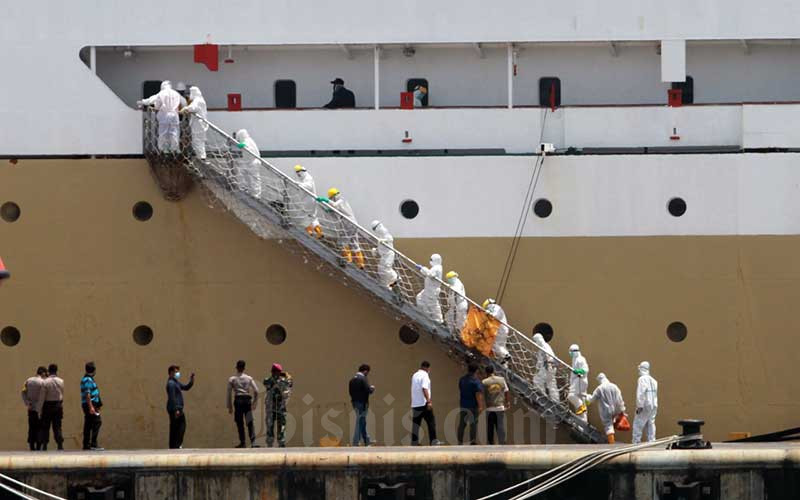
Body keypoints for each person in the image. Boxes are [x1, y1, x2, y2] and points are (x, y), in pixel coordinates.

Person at [320, 188, 364, 269]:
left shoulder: (340, 201)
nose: (331, 199)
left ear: (333, 196)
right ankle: (361, 264)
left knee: (342, 243)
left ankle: (347, 260)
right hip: (354, 223)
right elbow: (337, 208)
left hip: (348, 223)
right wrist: (330, 210)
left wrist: (325, 200)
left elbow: (335, 205)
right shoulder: (343, 201)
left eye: (331, 198)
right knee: (354, 244)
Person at [137, 80, 183, 153]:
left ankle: (164, 150)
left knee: (163, 133)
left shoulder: (161, 93)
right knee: (174, 133)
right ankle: (175, 149)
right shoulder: (176, 93)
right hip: (174, 115)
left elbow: (153, 102)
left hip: (164, 115)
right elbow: (183, 103)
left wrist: (142, 102)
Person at [585, 373, 626, 444]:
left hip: (606, 411)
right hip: (616, 409)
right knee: (614, 424)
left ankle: (612, 443)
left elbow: (591, 399)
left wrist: (586, 397)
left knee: (608, 426)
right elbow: (620, 399)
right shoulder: (614, 386)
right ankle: (613, 440)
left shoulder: (600, 388)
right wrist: (622, 410)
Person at [227, 360, 259, 448]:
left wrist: (229, 406)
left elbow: (229, 393)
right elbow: (256, 390)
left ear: (237, 367)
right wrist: (254, 403)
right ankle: (253, 442)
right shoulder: (249, 378)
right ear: (244, 368)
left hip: (238, 401)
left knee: (239, 422)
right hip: (247, 401)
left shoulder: (232, 379)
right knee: (250, 422)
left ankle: (243, 442)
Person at [410, 361, 440, 446]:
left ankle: (414, 442)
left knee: (416, 424)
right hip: (424, 403)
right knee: (431, 422)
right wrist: (429, 401)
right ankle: (433, 441)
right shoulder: (425, 375)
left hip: (415, 404)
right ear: (427, 368)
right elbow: (424, 388)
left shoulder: (415, 375)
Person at [166, 365, 195, 449]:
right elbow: (172, 397)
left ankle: (175, 445)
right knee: (179, 426)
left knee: (178, 427)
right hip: (175, 409)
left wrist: (191, 380)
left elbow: (186, 387)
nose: (178, 373)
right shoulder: (171, 383)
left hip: (178, 408)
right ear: (171, 372)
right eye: (176, 371)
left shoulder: (176, 382)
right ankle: (175, 445)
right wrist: (176, 410)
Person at [264, 363, 293, 447]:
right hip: (274, 408)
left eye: (276, 371)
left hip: (278, 407)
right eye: (275, 372)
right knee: (272, 426)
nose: (275, 373)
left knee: (279, 426)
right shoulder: (281, 381)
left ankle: (278, 442)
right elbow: (290, 383)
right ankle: (273, 443)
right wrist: (287, 375)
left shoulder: (269, 380)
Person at [37, 364, 65, 451]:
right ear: (56, 371)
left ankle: (45, 444)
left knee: (46, 426)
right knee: (57, 426)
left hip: (47, 406)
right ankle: (60, 444)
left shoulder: (45, 382)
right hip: (58, 405)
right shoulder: (61, 381)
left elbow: (42, 397)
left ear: (49, 371)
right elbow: (62, 394)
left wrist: (39, 409)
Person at [292, 165, 323, 238]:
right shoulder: (305, 178)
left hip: (308, 200)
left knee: (304, 216)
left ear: (302, 171)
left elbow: (308, 186)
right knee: (313, 217)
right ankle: (319, 232)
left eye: (298, 172)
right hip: (310, 200)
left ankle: (310, 232)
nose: (298, 174)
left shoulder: (308, 178)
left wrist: (299, 184)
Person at [482, 365, 510, 445]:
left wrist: (482, 404)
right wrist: (507, 402)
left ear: (486, 372)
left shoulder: (484, 382)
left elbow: (481, 393)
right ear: (493, 371)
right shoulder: (501, 380)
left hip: (490, 408)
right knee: (500, 426)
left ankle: (491, 444)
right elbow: (506, 391)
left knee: (490, 428)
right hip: (500, 407)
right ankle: (502, 443)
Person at [457, 363, 484, 445]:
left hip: (464, 405)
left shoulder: (462, 379)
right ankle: (472, 441)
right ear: (476, 371)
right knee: (473, 424)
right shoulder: (476, 381)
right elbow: (478, 394)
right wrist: (480, 406)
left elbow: (460, 389)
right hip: (473, 406)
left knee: (462, 424)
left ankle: (460, 441)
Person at [348, 364, 375, 446]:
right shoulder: (363, 379)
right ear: (365, 371)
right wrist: (372, 388)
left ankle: (367, 440)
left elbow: (350, 392)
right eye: (367, 372)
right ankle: (356, 442)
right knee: (359, 422)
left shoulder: (352, 380)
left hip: (354, 403)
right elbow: (368, 390)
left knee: (362, 421)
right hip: (362, 403)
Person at [632, 361, 658, 444]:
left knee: (638, 423)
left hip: (645, 405)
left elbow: (641, 393)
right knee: (650, 423)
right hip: (653, 405)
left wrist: (639, 406)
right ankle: (652, 441)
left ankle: (636, 442)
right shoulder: (654, 381)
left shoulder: (642, 379)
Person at [179, 86, 208, 160]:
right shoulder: (199, 100)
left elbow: (193, 108)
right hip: (199, 123)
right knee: (199, 140)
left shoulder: (197, 100)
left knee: (197, 140)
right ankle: (201, 156)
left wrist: (185, 109)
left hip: (198, 123)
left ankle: (201, 157)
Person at [21, 367, 46, 451]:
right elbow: (43, 396)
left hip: (31, 408)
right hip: (40, 408)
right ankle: (38, 446)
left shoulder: (28, 380)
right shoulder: (43, 382)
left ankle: (32, 446)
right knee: (40, 428)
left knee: (31, 427)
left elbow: (23, 392)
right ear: (42, 373)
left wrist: (27, 403)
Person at [80, 362, 103, 451]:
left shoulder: (88, 379)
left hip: (90, 404)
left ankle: (86, 444)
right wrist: (91, 407)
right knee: (97, 422)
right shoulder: (88, 380)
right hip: (90, 404)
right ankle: (93, 443)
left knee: (88, 424)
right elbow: (88, 394)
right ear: (93, 370)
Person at [234, 129, 262, 198]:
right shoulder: (250, 140)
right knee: (248, 176)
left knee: (254, 179)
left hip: (253, 162)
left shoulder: (247, 141)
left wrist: (238, 144)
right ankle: (250, 191)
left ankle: (256, 195)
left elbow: (244, 146)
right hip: (250, 162)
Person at [416, 254, 444, 323]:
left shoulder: (437, 268)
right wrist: (422, 269)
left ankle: (439, 321)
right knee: (419, 298)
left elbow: (430, 274)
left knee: (433, 305)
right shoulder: (436, 267)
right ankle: (424, 313)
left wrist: (422, 268)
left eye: (431, 260)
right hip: (428, 289)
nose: (430, 261)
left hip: (432, 291)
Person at [532, 333, 559, 401]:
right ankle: (556, 400)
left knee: (537, 380)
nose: (536, 343)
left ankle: (543, 397)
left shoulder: (543, 347)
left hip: (547, 367)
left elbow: (546, 358)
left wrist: (546, 365)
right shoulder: (546, 346)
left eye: (536, 341)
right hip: (551, 367)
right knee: (551, 384)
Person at [371, 220, 397, 289]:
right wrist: (376, 250)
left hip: (389, 254)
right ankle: (385, 284)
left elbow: (390, 239)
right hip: (384, 256)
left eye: (374, 228)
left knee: (386, 268)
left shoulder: (385, 233)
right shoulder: (380, 235)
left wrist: (384, 240)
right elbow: (381, 246)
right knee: (380, 269)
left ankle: (395, 278)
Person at [567, 344, 589, 422]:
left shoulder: (580, 359)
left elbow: (585, 369)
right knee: (580, 399)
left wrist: (578, 371)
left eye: (571, 351)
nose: (570, 353)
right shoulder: (575, 360)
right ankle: (583, 421)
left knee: (571, 395)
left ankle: (581, 406)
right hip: (577, 381)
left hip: (580, 380)